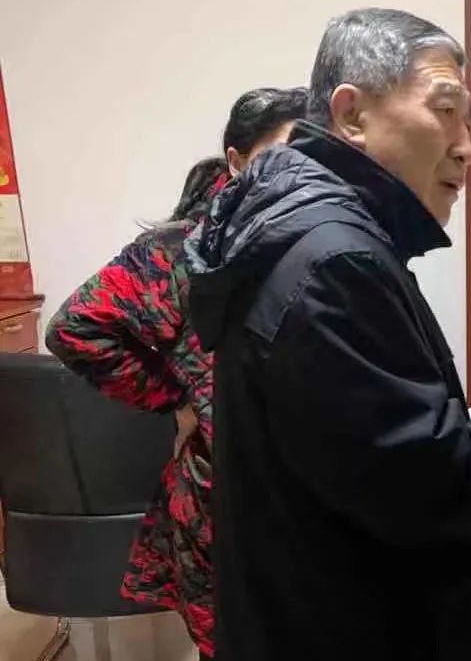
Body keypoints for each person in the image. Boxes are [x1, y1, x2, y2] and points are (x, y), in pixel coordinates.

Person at [185, 8, 471, 661]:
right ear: (352, 114)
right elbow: (424, 487)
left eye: (469, 121)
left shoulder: (309, 236)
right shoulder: (333, 264)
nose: (467, 146)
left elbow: (372, 454)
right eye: (445, 110)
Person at [45, 86, 308, 660]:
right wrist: (175, 398)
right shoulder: (181, 251)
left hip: (308, 498)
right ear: (237, 161)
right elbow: (75, 328)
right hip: (224, 501)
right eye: (284, 155)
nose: (300, 173)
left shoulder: (316, 237)